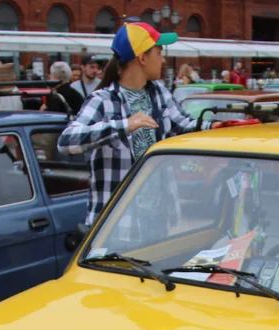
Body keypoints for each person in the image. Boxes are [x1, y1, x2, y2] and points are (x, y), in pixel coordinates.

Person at [58, 21, 222, 227]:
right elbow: (66, 142)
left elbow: (182, 125)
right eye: (159, 52)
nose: (162, 60)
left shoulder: (159, 92)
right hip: (116, 226)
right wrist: (125, 125)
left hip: (158, 223)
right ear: (142, 57)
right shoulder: (103, 99)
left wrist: (213, 126)